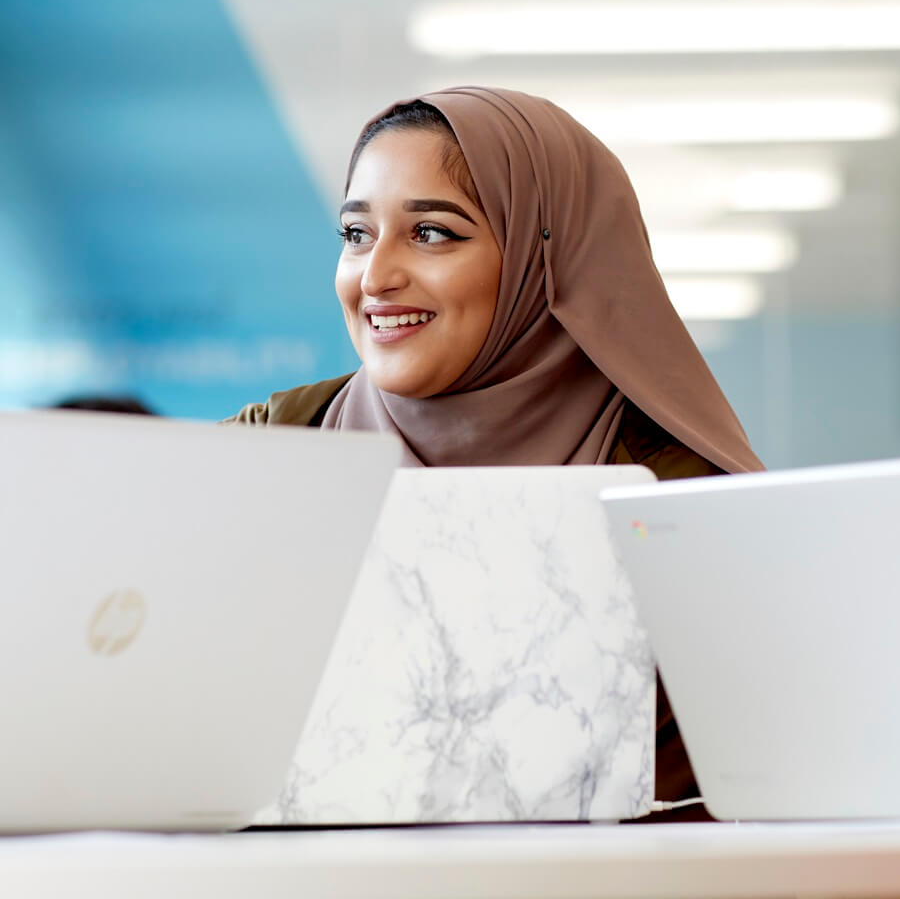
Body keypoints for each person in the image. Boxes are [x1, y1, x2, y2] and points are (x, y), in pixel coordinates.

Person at [225, 85, 764, 817]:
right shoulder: (268, 449)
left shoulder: (680, 508)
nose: (376, 276)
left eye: (432, 234)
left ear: (547, 259)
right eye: (357, 234)